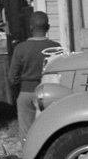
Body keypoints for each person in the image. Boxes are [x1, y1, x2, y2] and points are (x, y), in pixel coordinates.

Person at [9, 11, 61, 145]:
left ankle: (28, 154)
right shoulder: (55, 47)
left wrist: (17, 91)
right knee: (49, 131)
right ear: (48, 27)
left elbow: (12, 77)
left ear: (30, 27)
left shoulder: (20, 48)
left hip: (26, 92)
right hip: (49, 93)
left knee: (27, 135)